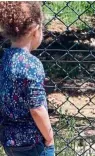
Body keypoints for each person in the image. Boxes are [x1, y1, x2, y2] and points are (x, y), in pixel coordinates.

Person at [0, 2, 55, 156]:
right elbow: (36, 108)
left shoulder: (4, 59)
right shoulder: (31, 64)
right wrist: (49, 137)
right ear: (35, 30)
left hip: (9, 140)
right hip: (33, 142)